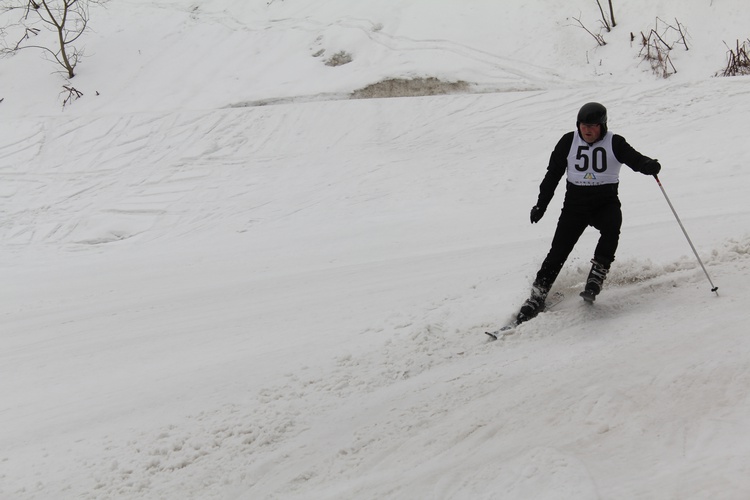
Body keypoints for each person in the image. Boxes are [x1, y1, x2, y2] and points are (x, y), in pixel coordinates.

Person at [517, 102, 661, 323]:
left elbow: (634, 159)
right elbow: (552, 175)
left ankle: (598, 272)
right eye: (583, 125)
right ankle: (537, 295)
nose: (587, 130)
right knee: (557, 252)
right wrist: (541, 205)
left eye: (593, 126)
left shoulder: (615, 142)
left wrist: (648, 165)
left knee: (613, 226)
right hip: (575, 204)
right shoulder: (568, 141)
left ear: (602, 125)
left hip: (605, 201)